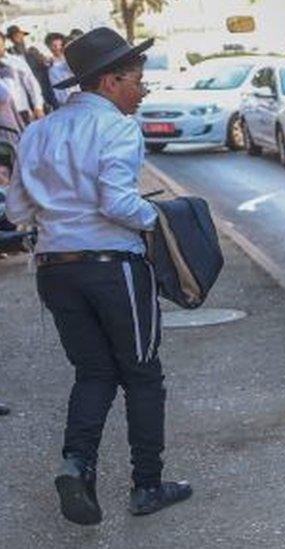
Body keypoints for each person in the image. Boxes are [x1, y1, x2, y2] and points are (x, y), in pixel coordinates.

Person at [5, 27, 191, 526]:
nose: (142, 89)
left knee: (93, 371)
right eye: (137, 80)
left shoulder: (39, 131)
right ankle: (147, 485)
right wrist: (167, 220)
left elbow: (19, 210)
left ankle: (76, 465)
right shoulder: (117, 128)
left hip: (54, 270)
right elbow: (117, 203)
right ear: (110, 83)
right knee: (142, 372)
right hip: (113, 268)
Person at [7, 25, 55, 111]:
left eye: (20, 35)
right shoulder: (10, 56)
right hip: (26, 96)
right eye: (15, 36)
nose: (19, 38)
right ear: (11, 39)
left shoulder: (32, 51)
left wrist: (47, 61)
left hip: (43, 90)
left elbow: (46, 64)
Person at [0, 33, 44, 124]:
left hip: (22, 112)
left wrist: (38, 106)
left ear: (4, 43)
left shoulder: (16, 62)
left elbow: (32, 84)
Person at [47, 32, 77, 107]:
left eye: (59, 45)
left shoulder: (72, 59)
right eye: (54, 46)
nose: (57, 48)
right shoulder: (51, 68)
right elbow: (57, 91)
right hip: (66, 103)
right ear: (49, 47)